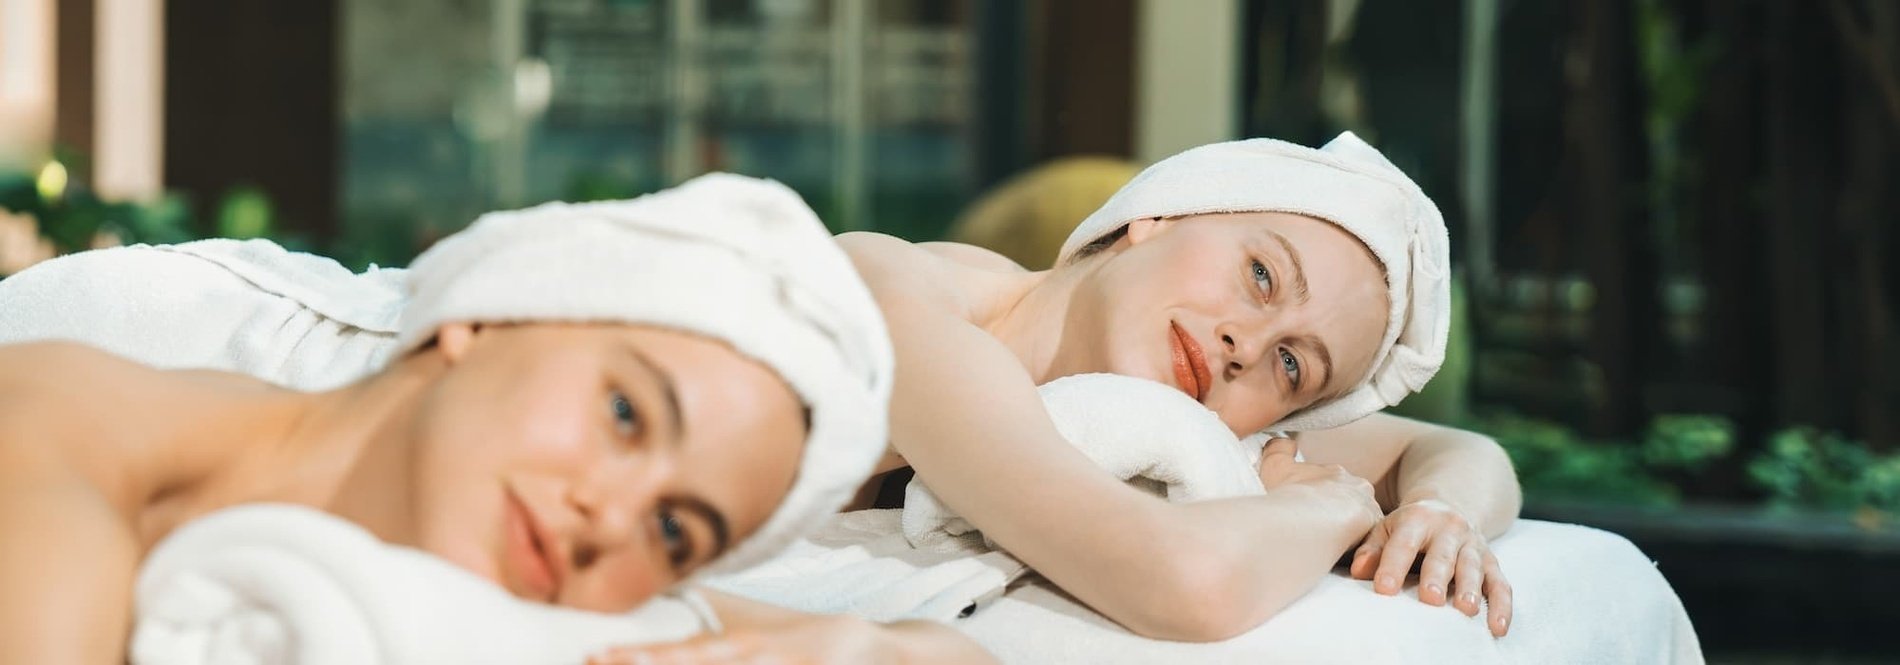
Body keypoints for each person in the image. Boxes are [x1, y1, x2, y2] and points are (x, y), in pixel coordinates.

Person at [0, 174, 993, 664]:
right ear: (483, 315)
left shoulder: (528, 586)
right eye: (623, 412)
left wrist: (861, 647)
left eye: (675, 528)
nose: (611, 513)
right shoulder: (66, 434)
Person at [837, 132, 1518, 641]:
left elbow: (1462, 452)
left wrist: (1439, 510)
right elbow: (1186, 583)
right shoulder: (902, 303)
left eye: (1292, 366)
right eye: (1260, 275)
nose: (1246, 347)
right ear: (1157, 214)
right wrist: (1338, 507)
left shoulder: (1156, 413)